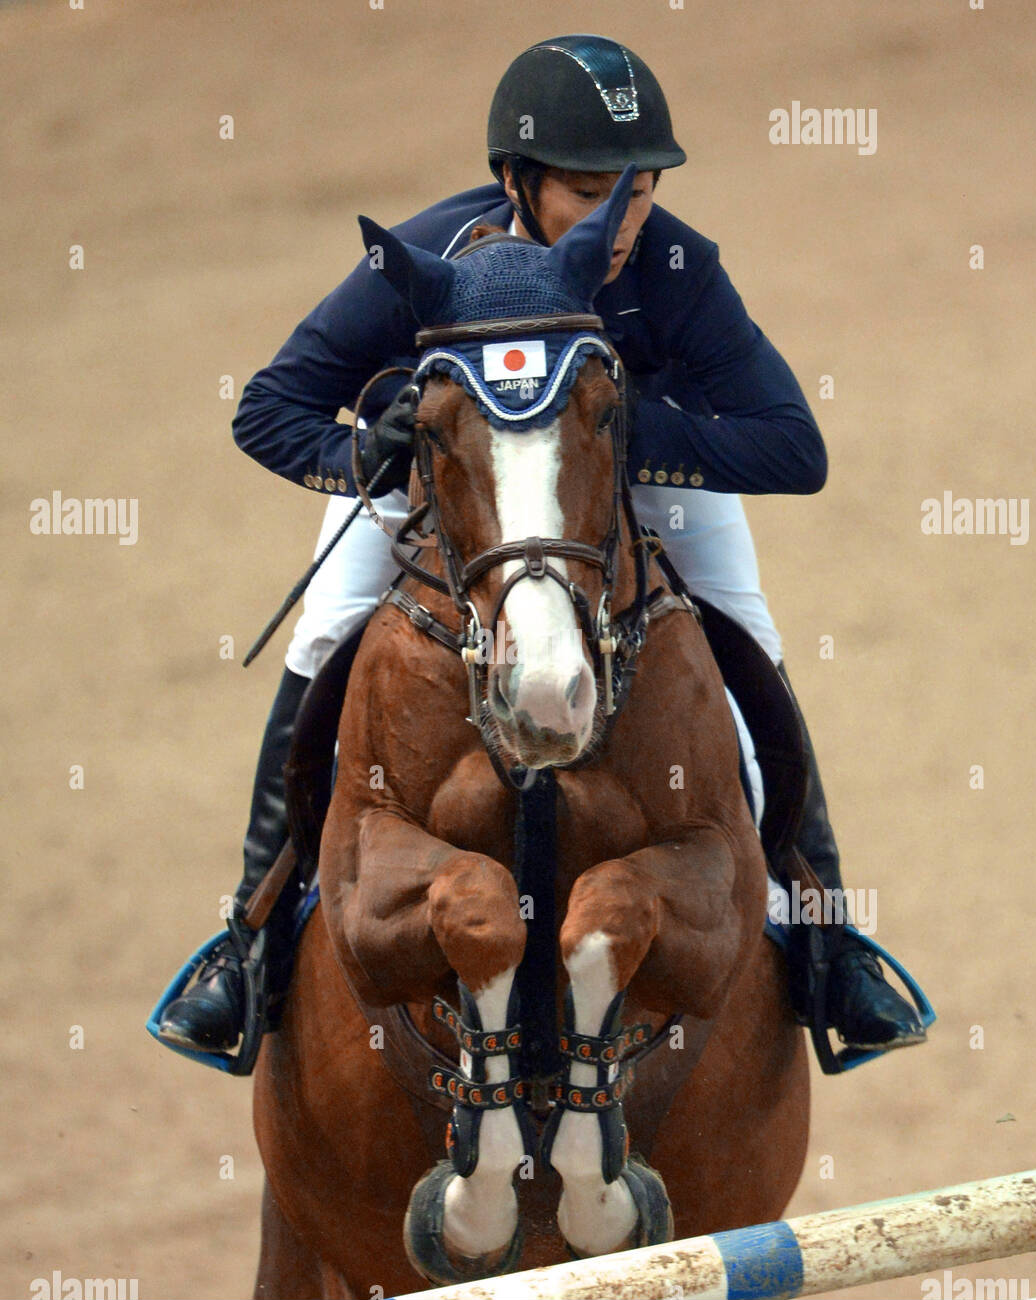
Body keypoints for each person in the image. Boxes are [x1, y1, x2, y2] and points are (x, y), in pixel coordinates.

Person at [158, 34, 925, 1060]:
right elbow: (267, 409)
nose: (620, 221)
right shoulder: (428, 259)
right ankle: (245, 943)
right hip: (455, 483)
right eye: (587, 189)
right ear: (516, 179)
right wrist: (364, 455)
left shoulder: (676, 266)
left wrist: (615, 436)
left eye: (640, 190)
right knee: (328, 629)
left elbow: (794, 448)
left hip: (628, 481)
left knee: (746, 626)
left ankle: (827, 936)